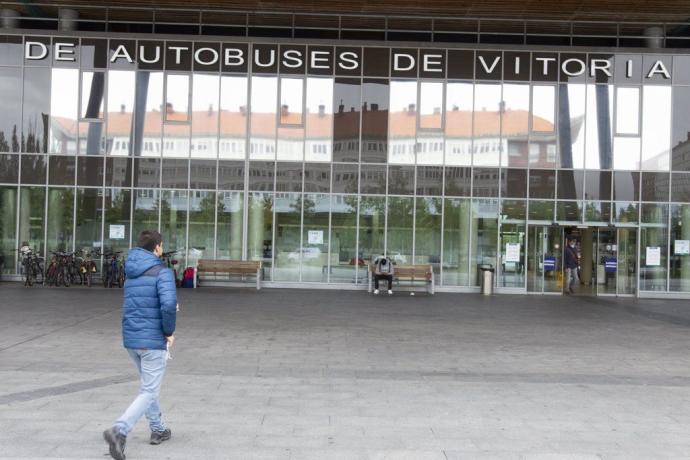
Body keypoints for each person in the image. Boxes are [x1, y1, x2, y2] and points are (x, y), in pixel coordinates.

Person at [103, 230, 178, 460]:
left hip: (132, 339)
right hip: (152, 339)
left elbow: (139, 303)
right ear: (156, 247)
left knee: (148, 387)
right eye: (162, 245)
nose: (162, 249)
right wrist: (169, 332)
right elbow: (167, 305)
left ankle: (158, 429)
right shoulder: (162, 272)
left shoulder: (132, 272)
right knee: (149, 390)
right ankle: (120, 430)